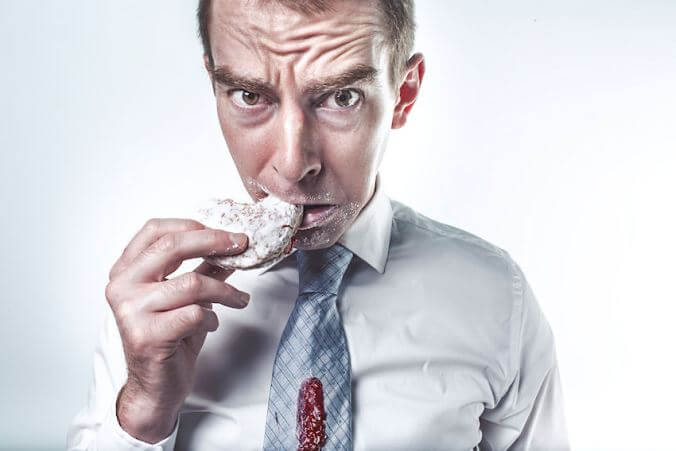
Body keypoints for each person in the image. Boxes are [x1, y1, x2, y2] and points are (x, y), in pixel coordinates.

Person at [67, 0, 570, 449]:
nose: (292, 163)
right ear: (214, 84)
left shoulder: (498, 297)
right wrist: (141, 416)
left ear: (404, 94)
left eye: (341, 97)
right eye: (248, 95)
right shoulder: (157, 296)